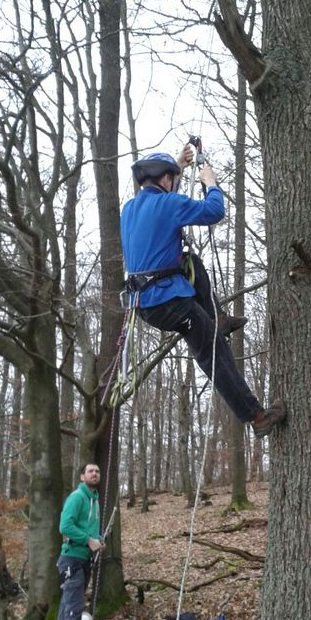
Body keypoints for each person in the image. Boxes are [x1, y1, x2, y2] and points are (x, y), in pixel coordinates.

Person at [120, 145, 286, 437]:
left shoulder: (131, 209)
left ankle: (216, 317)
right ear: (167, 181)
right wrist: (210, 183)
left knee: (190, 261)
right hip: (167, 301)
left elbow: (161, 202)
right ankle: (257, 417)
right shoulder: (168, 205)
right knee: (213, 351)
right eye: (172, 177)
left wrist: (178, 165)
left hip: (144, 301)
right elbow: (214, 211)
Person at [51, 463, 105, 620]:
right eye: (91, 471)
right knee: (74, 610)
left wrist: (98, 541)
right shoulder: (77, 497)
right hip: (71, 559)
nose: (95, 474)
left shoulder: (95, 500)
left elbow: (89, 530)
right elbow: (64, 526)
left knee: (67, 605)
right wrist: (87, 540)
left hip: (84, 559)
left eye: (97, 471)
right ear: (82, 476)